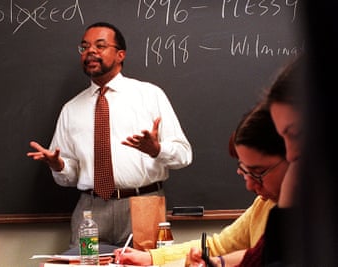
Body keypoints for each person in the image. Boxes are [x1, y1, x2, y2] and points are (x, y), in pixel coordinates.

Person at [27, 22, 192, 249]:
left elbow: (184, 155)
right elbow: (71, 176)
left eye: (100, 46)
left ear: (120, 54)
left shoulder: (150, 95)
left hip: (143, 203)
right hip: (91, 209)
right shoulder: (71, 109)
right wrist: (59, 165)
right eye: (84, 47)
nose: (90, 51)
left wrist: (157, 150)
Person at [114, 103, 289, 266]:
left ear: (293, 158)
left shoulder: (307, 217)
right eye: (244, 171)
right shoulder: (264, 204)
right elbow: (218, 245)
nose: (250, 185)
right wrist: (151, 257)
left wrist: (216, 262)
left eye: (258, 173)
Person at [185, 55, 306, 267]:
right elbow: (259, 257)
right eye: (245, 172)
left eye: (295, 134)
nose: (292, 155)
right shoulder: (269, 205)